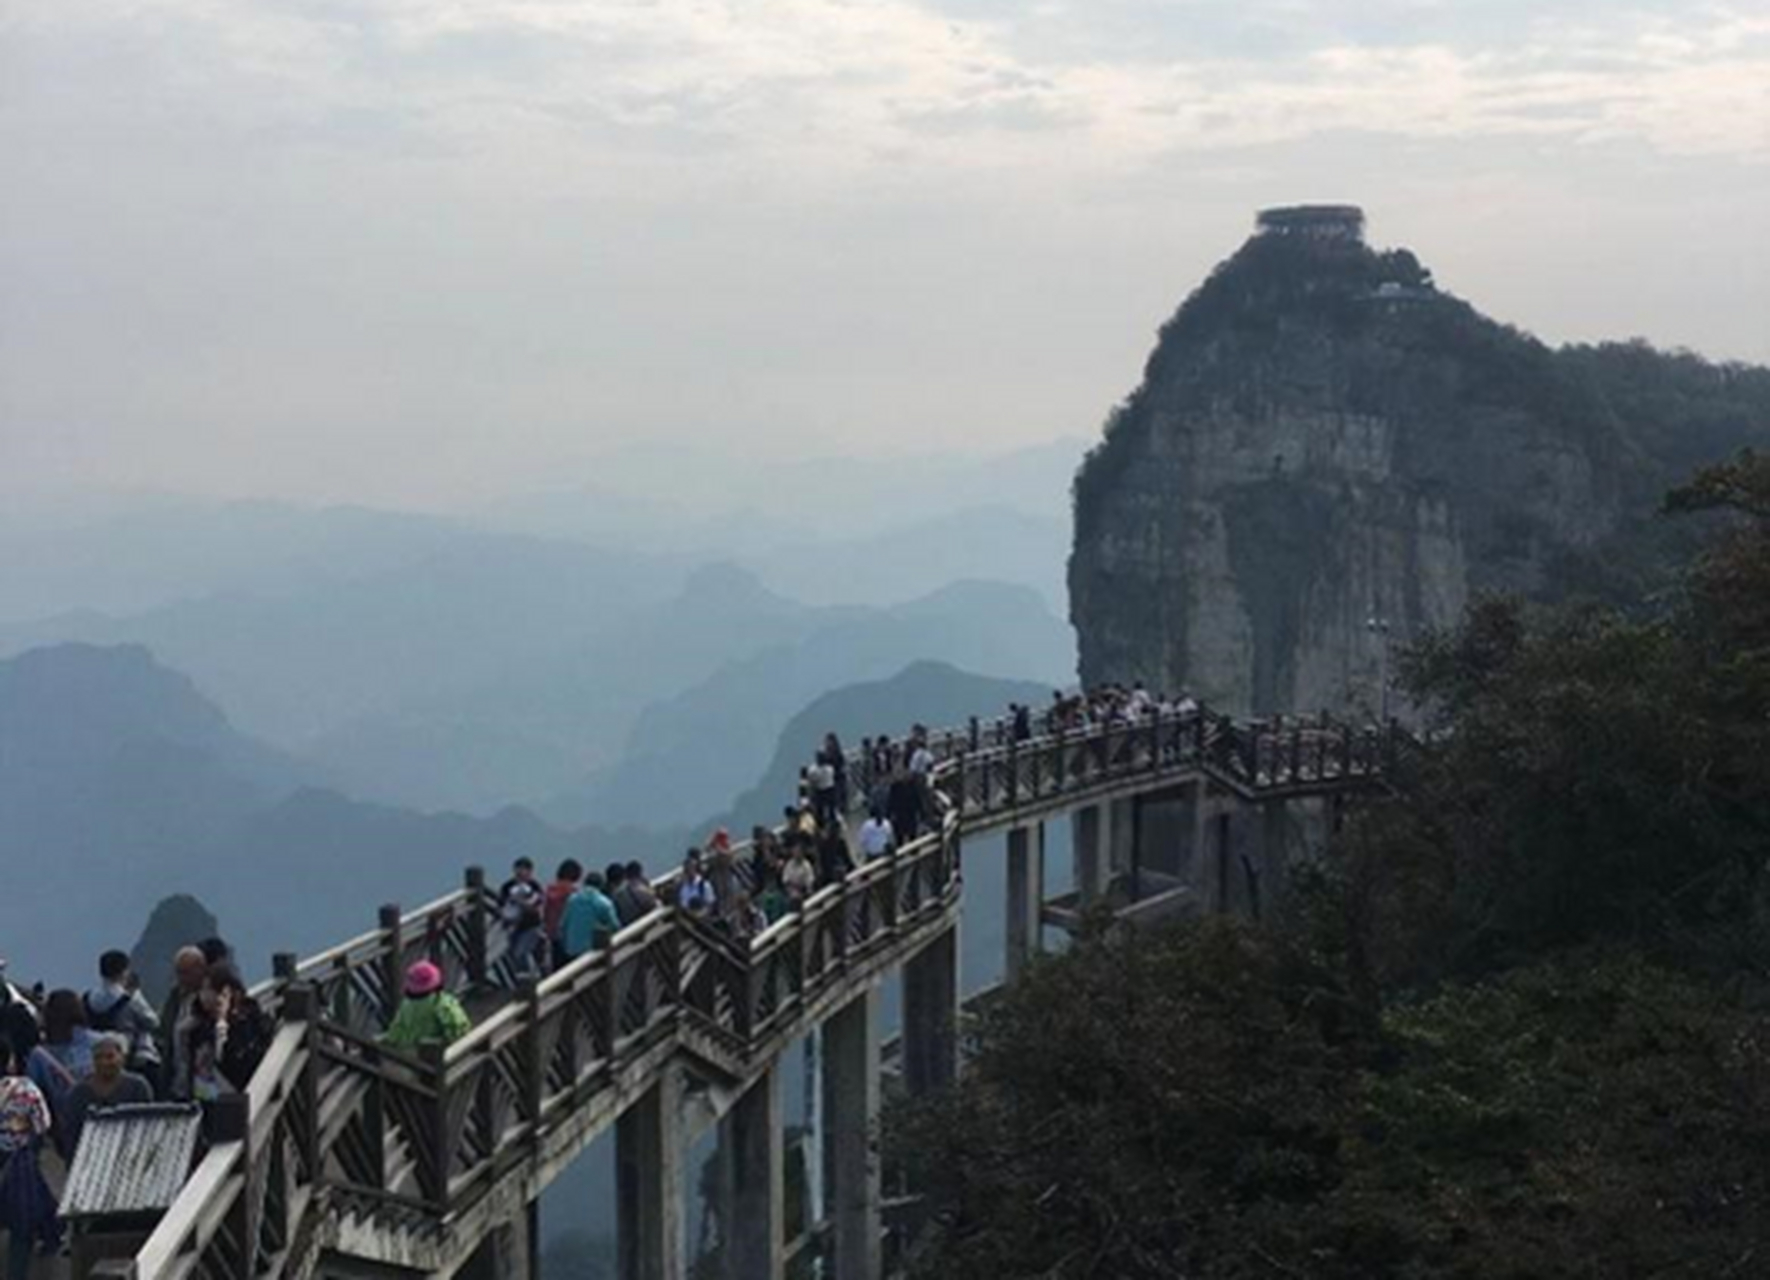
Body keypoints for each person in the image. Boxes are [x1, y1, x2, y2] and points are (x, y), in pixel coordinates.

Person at [0, 1042, 57, 1280]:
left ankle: (52, 1232)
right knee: (20, 1224)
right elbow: (43, 1123)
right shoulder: (25, 1089)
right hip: (18, 1161)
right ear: (10, 1059)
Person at [59, 1035, 152, 1160]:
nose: (104, 1062)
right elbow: (71, 1134)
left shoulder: (138, 1087)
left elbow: (147, 1127)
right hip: (90, 1157)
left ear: (122, 1058)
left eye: (110, 1056)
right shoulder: (77, 1093)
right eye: (98, 1058)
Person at [85, 950, 162, 1095]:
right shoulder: (130, 999)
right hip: (129, 1059)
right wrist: (136, 992)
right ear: (124, 971)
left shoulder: (88, 998)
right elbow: (153, 1022)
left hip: (97, 1058)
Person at [186, 966, 269, 1100]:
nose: (206, 995)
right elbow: (196, 1078)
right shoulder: (197, 1027)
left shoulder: (246, 1021)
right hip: (213, 1100)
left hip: (247, 1095)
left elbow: (244, 1065)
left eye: (210, 989)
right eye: (203, 989)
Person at [27, 989, 95, 1120]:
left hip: (64, 1126)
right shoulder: (101, 1043)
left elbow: (33, 1097)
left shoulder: (39, 1056)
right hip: (101, 1122)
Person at [382, 962, 471, 1050]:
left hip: (408, 1058)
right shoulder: (439, 1002)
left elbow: (396, 1032)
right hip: (440, 1056)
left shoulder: (405, 1005)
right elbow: (457, 1028)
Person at [159, 945, 208, 1100]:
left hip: (203, 1077)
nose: (181, 978)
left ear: (201, 969)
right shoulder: (175, 997)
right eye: (179, 972)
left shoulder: (210, 998)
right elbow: (165, 1028)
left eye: (186, 973)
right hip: (177, 1081)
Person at [498, 857, 546, 978]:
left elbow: (537, 907)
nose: (520, 875)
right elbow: (500, 905)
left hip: (531, 926)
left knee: (520, 953)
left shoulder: (534, 886)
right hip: (512, 927)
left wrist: (520, 903)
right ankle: (524, 980)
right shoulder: (507, 887)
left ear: (530, 872)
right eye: (517, 871)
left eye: (523, 872)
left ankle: (526, 981)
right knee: (513, 955)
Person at [560, 871, 622, 962]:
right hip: (593, 953)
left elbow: (563, 924)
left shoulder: (572, 900)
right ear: (601, 886)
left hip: (572, 950)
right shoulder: (604, 903)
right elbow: (615, 926)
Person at [543, 859, 584, 968]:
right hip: (569, 933)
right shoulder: (574, 892)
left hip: (553, 932)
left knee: (556, 963)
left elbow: (545, 911)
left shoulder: (550, 889)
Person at [676, 850, 717, 917]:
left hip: (704, 916)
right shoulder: (683, 888)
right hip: (690, 918)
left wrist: (702, 913)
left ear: (695, 869)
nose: (689, 872)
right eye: (687, 870)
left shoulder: (704, 885)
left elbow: (711, 904)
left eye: (691, 869)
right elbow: (684, 906)